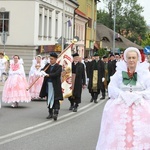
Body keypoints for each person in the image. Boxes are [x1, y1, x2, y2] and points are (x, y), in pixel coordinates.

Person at [96, 47, 150, 149]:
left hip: (140, 108)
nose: (131, 60)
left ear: (137, 58)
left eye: (133, 57)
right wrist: (122, 94)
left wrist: (139, 95)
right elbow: (112, 87)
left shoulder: (144, 73)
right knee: (120, 134)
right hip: (121, 108)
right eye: (129, 58)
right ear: (125, 59)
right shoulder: (119, 73)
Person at [39, 52, 63, 121]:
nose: (50, 60)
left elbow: (56, 74)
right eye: (50, 59)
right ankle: (50, 112)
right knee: (48, 98)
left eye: (52, 59)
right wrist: (42, 72)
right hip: (48, 85)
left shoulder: (59, 67)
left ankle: (56, 112)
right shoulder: (48, 65)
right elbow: (42, 70)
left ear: (55, 59)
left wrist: (48, 75)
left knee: (55, 99)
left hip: (55, 86)